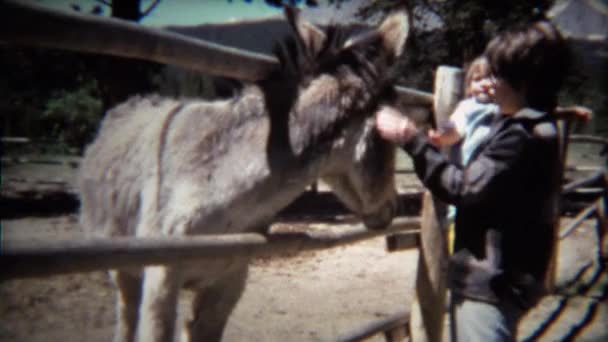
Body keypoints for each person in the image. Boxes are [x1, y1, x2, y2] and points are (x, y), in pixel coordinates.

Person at [375, 21, 574, 341]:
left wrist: (409, 137)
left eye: (497, 75)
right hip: (510, 277)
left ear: (521, 82)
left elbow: (463, 187)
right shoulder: (533, 125)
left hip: (492, 283)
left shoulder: (521, 136)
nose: (489, 84)